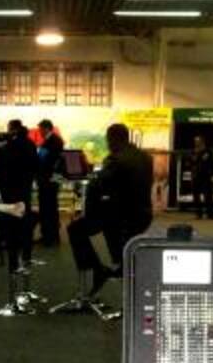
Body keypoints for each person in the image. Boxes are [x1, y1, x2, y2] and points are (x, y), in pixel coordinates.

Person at [69, 123, 153, 292]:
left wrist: (86, 214)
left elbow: (97, 186)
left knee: (76, 228)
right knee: (114, 239)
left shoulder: (116, 158)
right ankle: (121, 266)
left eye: (108, 140)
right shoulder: (145, 156)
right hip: (143, 214)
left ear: (112, 139)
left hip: (121, 217)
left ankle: (99, 269)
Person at [0, 119, 39, 276]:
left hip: (11, 189)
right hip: (25, 187)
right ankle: (26, 255)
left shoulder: (11, 146)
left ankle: (14, 258)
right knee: (24, 219)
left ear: (13, 129)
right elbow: (35, 164)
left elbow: (0, 167)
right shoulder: (30, 143)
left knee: (13, 223)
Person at [35, 119, 64, 246]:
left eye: (41, 129)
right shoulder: (53, 140)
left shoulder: (53, 141)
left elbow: (43, 159)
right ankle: (50, 236)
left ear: (46, 128)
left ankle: (50, 237)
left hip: (48, 179)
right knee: (49, 207)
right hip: (50, 179)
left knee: (48, 208)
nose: (40, 131)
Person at [191, 135, 213, 220]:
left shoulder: (208, 151)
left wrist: (197, 156)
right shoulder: (194, 151)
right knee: (196, 196)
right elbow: (192, 161)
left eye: (198, 141)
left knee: (208, 196)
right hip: (196, 176)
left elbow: (206, 161)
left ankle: (210, 214)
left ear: (202, 142)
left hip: (205, 176)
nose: (196, 143)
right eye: (195, 141)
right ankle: (199, 214)